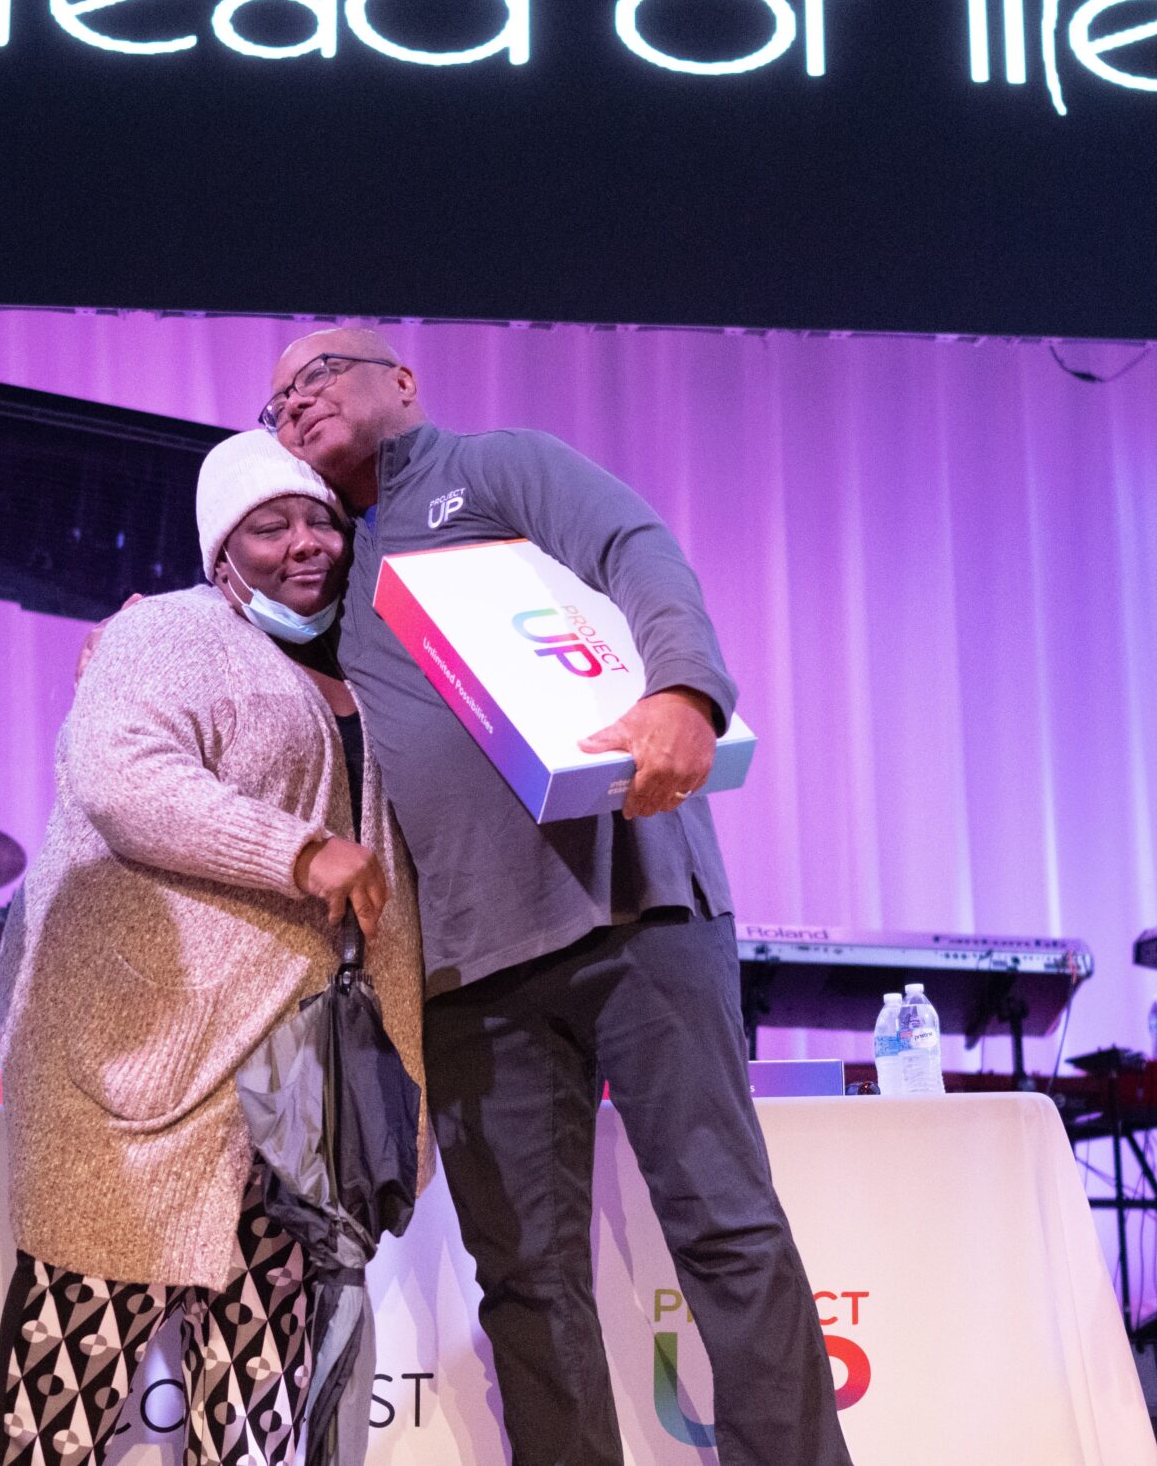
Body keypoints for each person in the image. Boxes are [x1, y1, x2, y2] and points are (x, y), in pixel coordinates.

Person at [262, 328, 851, 1466]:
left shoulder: (493, 468)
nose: (296, 402)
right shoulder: (324, 580)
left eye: (320, 374)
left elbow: (634, 544)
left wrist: (685, 689)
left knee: (723, 1227)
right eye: (275, 400)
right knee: (526, 1278)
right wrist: (138, 627)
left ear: (401, 382)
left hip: (633, 908)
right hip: (468, 968)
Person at [0, 428, 427, 1466]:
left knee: (259, 1421)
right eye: (269, 526)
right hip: (143, 1076)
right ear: (218, 555)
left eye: (321, 520)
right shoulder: (169, 633)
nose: (304, 544)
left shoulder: (374, 663)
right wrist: (300, 851)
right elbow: (120, 775)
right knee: (67, 1404)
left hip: (297, 1094)